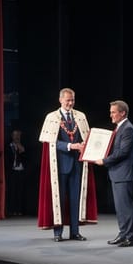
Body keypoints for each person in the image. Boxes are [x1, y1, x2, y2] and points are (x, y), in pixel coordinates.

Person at [36, 88, 97, 241]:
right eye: (68, 100)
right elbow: (50, 143)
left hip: (77, 165)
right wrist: (71, 146)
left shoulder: (80, 116)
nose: (70, 103)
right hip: (59, 165)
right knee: (59, 199)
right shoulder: (52, 117)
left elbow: (87, 137)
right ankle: (58, 233)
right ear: (60, 100)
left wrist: (86, 145)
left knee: (75, 199)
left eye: (73, 100)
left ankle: (75, 232)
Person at [95, 99, 133, 247]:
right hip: (117, 173)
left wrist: (104, 161)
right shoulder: (120, 128)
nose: (111, 115)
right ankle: (123, 234)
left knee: (126, 206)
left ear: (122, 113)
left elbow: (123, 152)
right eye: (110, 112)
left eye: (113, 112)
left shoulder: (128, 129)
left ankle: (130, 237)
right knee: (120, 207)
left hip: (124, 174)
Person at [6, 129, 28, 217]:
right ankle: (11, 210)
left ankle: (19, 210)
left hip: (21, 170)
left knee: (20, 191)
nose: (17, 137)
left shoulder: (24, 146)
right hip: (12, 171)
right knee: (12, 191)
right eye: (15, 135)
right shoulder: (9, 146)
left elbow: (27, 159)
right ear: (12, 136)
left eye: (18, 135)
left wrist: (22, 150)